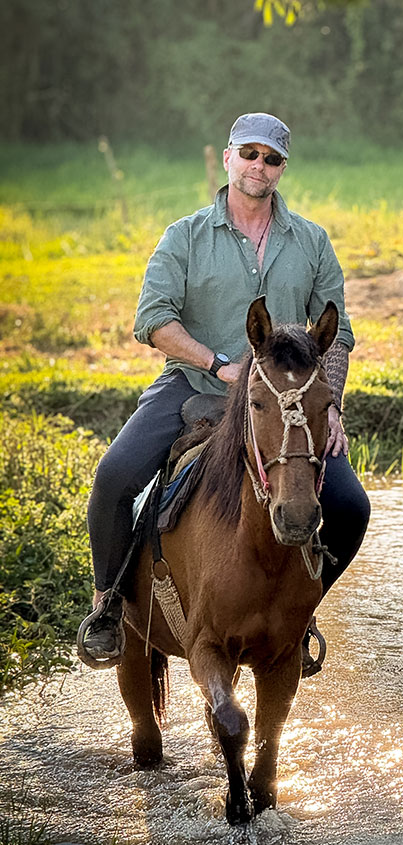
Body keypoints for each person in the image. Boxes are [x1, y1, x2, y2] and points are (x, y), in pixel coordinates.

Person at [78, 112, 370, 665]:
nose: (260, 166)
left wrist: (330, 407)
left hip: (285, 401)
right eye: (251, 154)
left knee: (352, 508)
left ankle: (299, 613)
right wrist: (217, 364)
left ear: (284, 168)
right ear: (229, 157)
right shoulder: (184, 236)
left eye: (273, 158)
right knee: (115, 476)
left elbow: (338, 335)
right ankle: (109, 605)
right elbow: (153, 319)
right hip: (192, 383)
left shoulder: (310, 240)